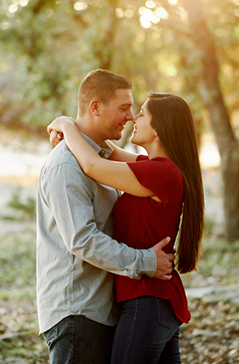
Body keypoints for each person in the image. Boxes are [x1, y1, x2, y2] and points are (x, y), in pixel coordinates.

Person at [47, 92, 203, 363]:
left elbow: (93, 164)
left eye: (142, 113)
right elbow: (105, 150)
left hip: (147, 303)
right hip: (155, 304)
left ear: (158, 129)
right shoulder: (155, 169)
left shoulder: (162, 173)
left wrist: (66, 125)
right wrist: (73, 125)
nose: (133, 117)